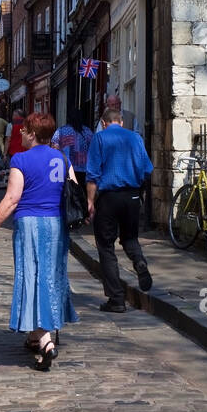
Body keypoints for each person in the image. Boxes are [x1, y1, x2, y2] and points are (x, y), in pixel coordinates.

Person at [0, 111, 78, 369]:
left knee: (31, 276)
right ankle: (36, 335)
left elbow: (11, 199)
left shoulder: (20, 160)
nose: (20, 133)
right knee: (51, 277)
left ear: (33, 134)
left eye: (24, 130)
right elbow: (72, 189)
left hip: (30, 223)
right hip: (56, 224)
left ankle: (45, 341)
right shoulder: (62, 158)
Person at [86, 103, 154, 311]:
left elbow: (92, 174)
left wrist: (90, 202)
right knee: (130, 238)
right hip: (132, 196)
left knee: (106, 247)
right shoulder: (135, 137)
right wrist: (138, 192)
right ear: (121, 122)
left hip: (109, 198)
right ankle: (139, 261)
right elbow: (147, 170)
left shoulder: (100, 138)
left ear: (104, 124)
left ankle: (116, 299)